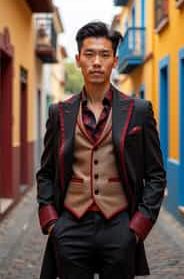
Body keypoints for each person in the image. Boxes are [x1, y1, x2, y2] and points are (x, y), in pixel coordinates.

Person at [36, 21, 166, 279]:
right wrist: (51, 222)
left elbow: (155, 175)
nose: (97, 62)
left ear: (115, 61)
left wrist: (138, 227)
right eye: (89, 54)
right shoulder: (59, 113)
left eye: (104, 55)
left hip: (119, 225)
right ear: (77, 60)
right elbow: (46, 173)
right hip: (70, 225)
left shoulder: (139, 111)